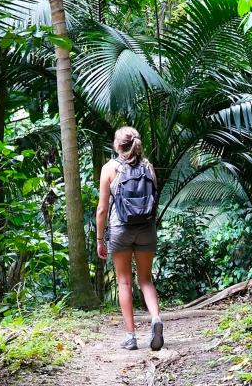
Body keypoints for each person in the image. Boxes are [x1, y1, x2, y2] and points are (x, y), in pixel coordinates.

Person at [96, 126, 164, 351]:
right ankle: (156, 319)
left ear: (117, 145)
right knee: (146, 280)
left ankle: (131, 336)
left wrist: (99, 239)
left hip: (120, 229)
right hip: (146, 228)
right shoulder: (148, 167)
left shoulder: (109, 168)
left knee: (124, 282)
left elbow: (102, 209)